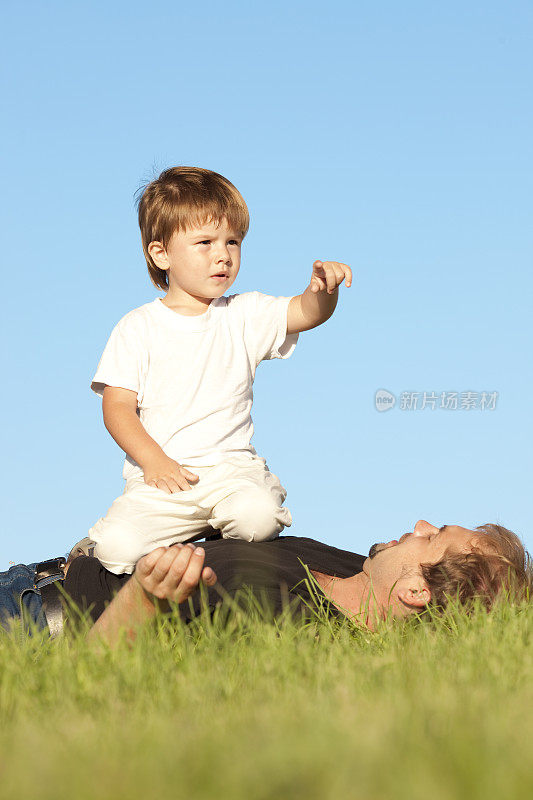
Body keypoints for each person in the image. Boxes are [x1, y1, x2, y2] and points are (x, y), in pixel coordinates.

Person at [88, 166, 352, 575]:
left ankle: (217, 549)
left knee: (257, 519)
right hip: (161, 479)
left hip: (230, 472)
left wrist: (324, 291)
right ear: (161, 254)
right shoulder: (137, 326)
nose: (223, 255)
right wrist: (154, 462)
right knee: (117, 550)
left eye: (233, 241)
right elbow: (117, 408)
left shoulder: (244, 314)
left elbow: (303, 313)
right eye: (205, 242)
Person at [2, 521, 530, 643]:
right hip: (32, 578)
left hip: (35, 629)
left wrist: (144, 597)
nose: (417, 524)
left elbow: (95, 677)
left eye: (431, 536)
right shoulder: (350, 566)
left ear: (418, 591)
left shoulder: (292, 637)